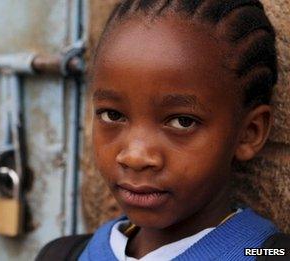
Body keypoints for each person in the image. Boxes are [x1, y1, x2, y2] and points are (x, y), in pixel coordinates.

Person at [36, 0, 290, 260]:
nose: (134, 157)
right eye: (112, 115)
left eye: (182, 122)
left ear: (250, 132)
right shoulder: (63, 255)